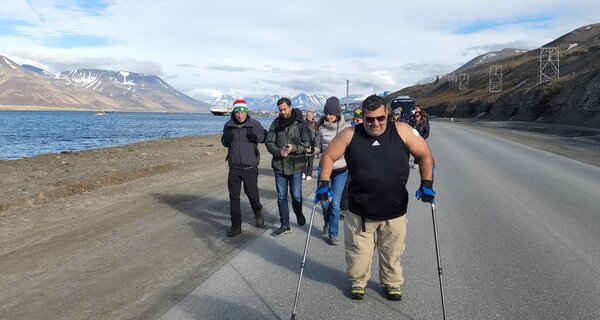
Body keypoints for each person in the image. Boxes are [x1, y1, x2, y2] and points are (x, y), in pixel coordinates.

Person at [317, 94, 435, 301]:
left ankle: (391, 283)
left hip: (394, 210)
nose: (375, 123)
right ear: (362, 116)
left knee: (392, 252)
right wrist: (324, 182)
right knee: (358, 253)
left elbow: (425, 154)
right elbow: (328, 156)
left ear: (387, 114)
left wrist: (427, 184)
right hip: (359, 210)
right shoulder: (350, 134)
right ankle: (358, 282)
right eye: (369, 119)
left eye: (380, 118)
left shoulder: (403, 131)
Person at [265, 97, 312, 236]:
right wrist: (279, 151)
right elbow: (269, 142)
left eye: (285, 109)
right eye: (280, 110)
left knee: (296, 195)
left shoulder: (301, 124)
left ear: (290, 107)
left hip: (296, 166)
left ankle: (298, 211)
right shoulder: (275, 123)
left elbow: (307, 143)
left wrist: (293, 148)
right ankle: (285, 225)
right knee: (281, 196)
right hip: (279, 166)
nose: (283, 112)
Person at [221, 99, 267, 237]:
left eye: (242, 112)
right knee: (234, 197)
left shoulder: (254, 124)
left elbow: (265, 136)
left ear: (246, 112)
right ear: (234, 113)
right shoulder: (228, 125)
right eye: (237, 112)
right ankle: (236, 226)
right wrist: (226, 140)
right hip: (234, 167)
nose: (240, 115)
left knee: (252, 193)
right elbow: (223, 141)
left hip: (250, 167)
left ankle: (257, 211)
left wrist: (256, 137)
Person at [312, 97, 350, 245]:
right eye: (326, 113)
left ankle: (333, 234)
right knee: (324, 203)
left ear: (338, 113)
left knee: (335, 204)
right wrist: (311, 150)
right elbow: (318, 148)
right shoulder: (321, 128)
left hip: (341, 170)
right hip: (324, 169)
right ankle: (327, 221)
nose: (328, 116)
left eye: (331, 113)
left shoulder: (347, 128)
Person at [303, 110, 318, 181]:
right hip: (304, 144)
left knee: (310, 161)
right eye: (307, 115)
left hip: (312, 144)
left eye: (310, 115)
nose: (308, 116)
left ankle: (309, 174)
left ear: (313, 116)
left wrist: (315, 144)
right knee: (303, 160)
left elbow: (317, 135)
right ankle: (303, 172)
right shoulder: (303, 123)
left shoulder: (316, 124)